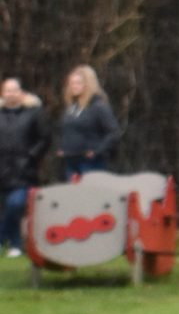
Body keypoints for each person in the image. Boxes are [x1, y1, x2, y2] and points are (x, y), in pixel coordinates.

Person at [0, 77, 51, 256]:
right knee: (6, 208)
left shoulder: (33, 113)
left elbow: (44, 138)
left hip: (24, 170)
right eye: (7, 90)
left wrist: (31, 156)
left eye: (14, 90)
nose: (11, 94)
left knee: (16, 204)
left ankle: (3, 237)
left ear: (21, 92)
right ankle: (14, 244)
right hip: (2, 171)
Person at [57, 65, 119, 177]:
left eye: (78, 83)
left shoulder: (98, 106)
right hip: (70, 162)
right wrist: (63, 148)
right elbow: (67, 130)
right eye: (71, 83)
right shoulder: (71, 107)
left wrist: (97, 151)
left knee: (90, 193)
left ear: (88, 84)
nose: (73, 86)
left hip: (90, 163)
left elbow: (113, 132)